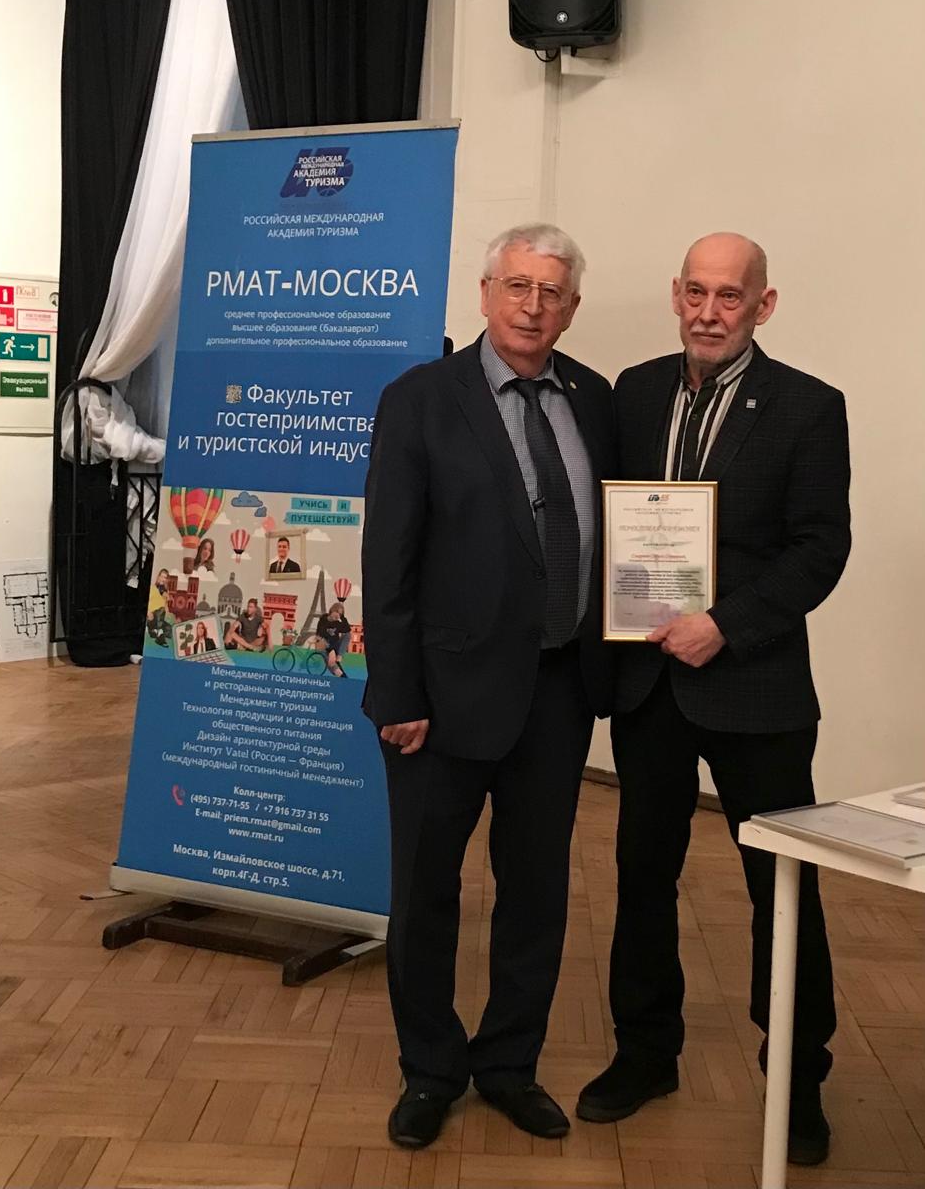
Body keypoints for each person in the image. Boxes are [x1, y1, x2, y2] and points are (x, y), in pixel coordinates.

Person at [577, 233, 851, 1168]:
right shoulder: (634, 391)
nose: (707, 312)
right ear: (675, 295)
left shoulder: (809, 407)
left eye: (728, 296)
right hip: (649, 681)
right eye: (695, 292)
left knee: (781, 888)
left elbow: (820, 549)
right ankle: (644, 1053)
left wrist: (724, 625)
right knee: (641, 876)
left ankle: (797, 1081)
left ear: (761, 306)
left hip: (755, 686)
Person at [363, 224, 615, 1149]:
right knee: (424, 894)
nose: (531, 307)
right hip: (439, 698)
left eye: (550, 292)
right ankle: (429, 1070)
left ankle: (509, 1063)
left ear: (571, 308)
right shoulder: (420, 399)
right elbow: (387, 559)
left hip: (556, 691)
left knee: (536, 892)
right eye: (516, 286)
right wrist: (397, 696)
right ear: (483, 293)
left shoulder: (593, 398)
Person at [316, 603, 350, 676]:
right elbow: (321, 634)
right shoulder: (323, 619)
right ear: (332, 610)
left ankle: (339, 657)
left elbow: (347, 631)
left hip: (334, 645)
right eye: (336, 612)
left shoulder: (338, 622)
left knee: (347, 635)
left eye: (340, 614)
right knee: (322, 648)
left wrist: (343, 618)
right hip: (324, 644)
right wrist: (331, 650)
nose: (337, 615)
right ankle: (338, 672)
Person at [147, 568, 170, 646]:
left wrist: (167, 610)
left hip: (160, 618)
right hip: (151, 617)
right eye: (162, 576)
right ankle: (159, 635)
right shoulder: (152, 588)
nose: (163, 579)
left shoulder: (165, 592)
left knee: (170, 630)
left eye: (165, 577)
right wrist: (148, 612)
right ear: (158, 577)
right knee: (161, 610)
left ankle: (154, 631)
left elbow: (165, 607)